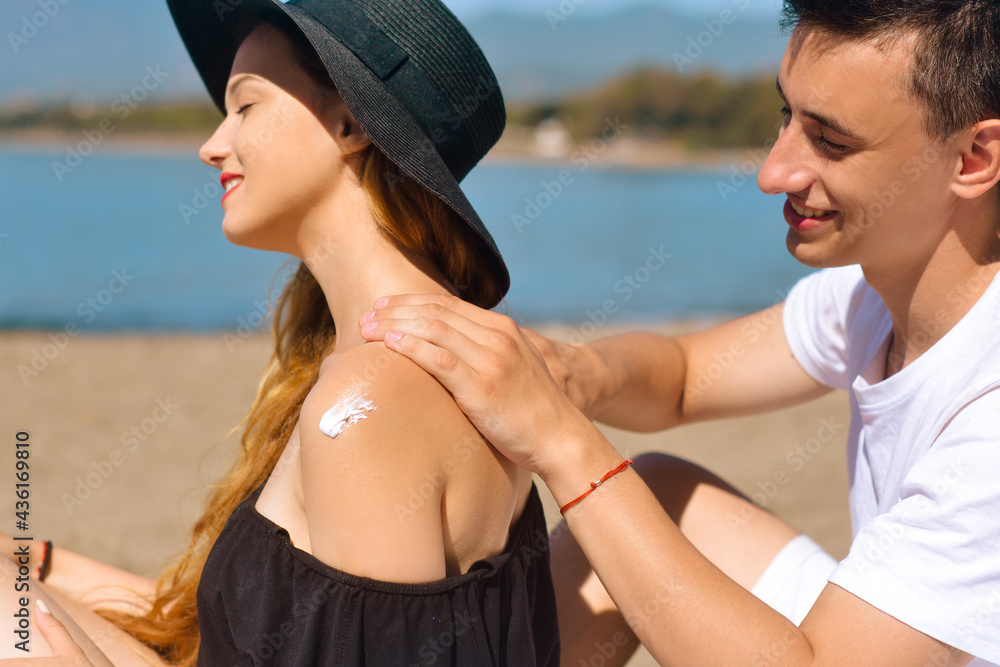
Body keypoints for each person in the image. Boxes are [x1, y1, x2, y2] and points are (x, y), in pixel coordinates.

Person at [358, 0, 1000, 665]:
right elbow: (687, 378)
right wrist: (572, 373)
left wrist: (558, 439)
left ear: (974, 157)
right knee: (658, 495)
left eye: (830, 141)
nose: (774, 172)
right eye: (787, 116)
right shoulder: (874, 291)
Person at [0, 1, 560, 665]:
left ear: (351, 122)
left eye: (246, 106)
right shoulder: (432, 354)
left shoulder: (369, 402)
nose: (211, 145)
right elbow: (254, 634)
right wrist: (34, 561)